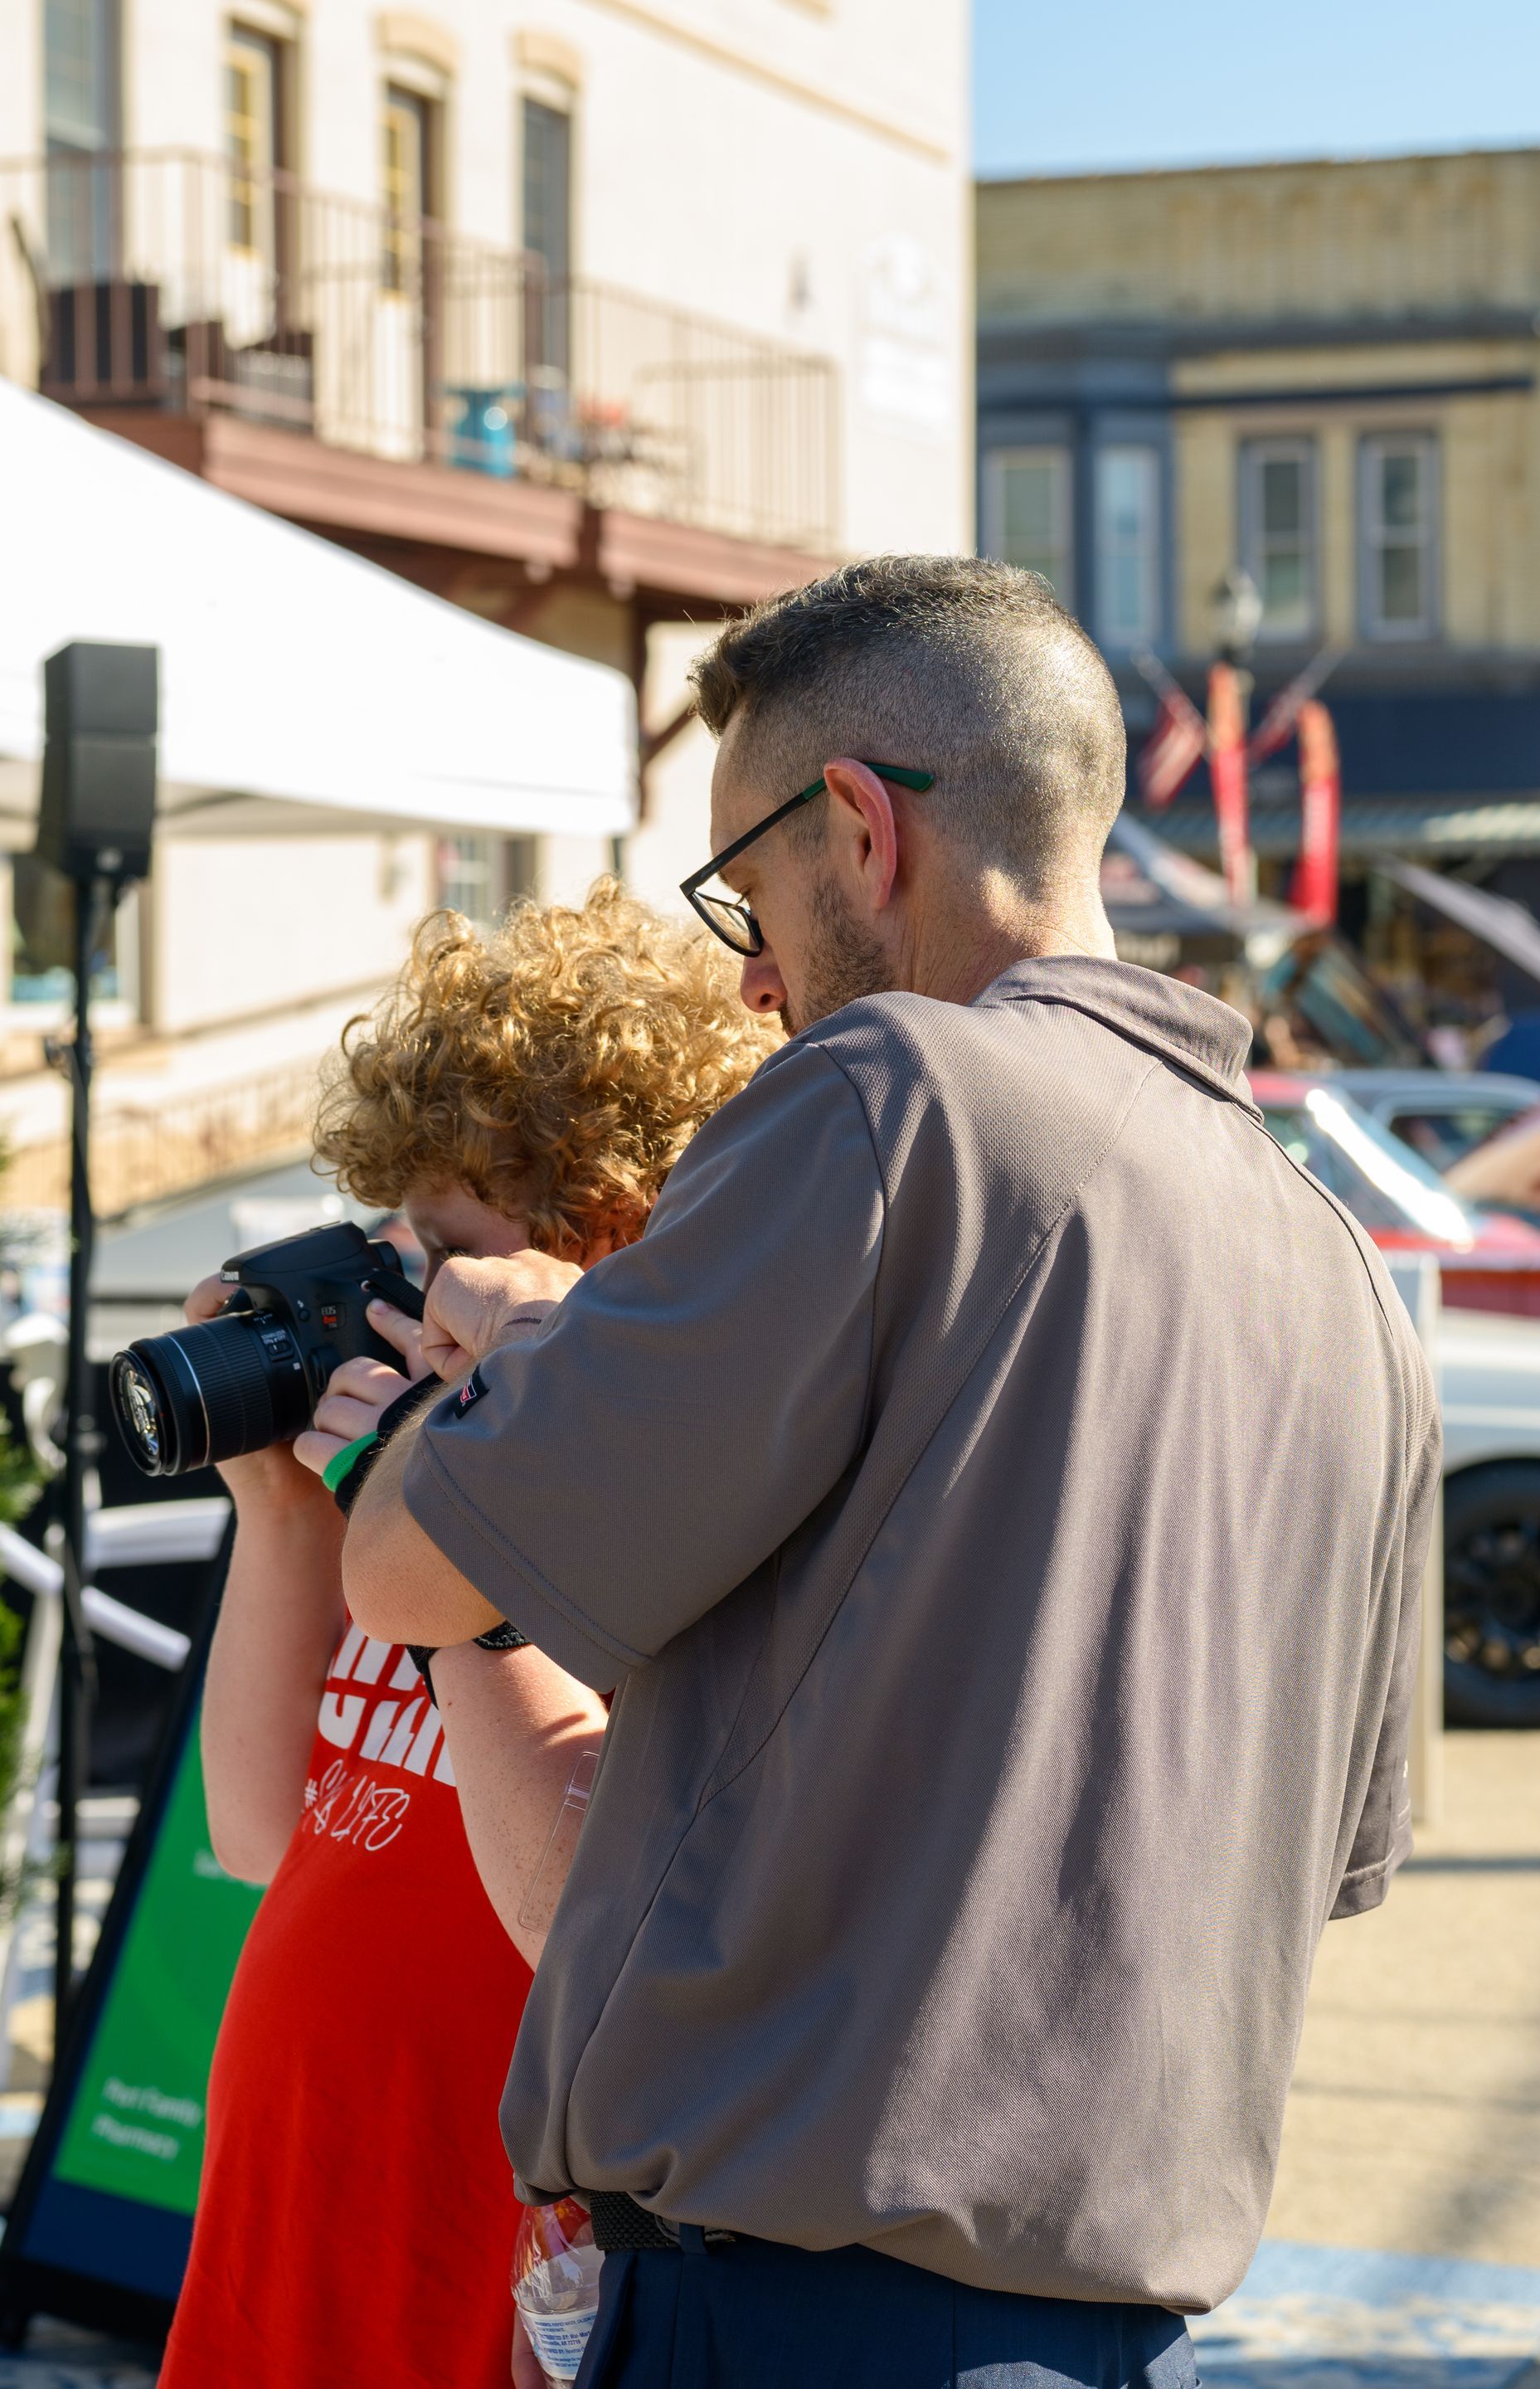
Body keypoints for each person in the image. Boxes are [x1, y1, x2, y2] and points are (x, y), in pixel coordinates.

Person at [328, 557, 1441, 2389]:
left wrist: (482, 1387)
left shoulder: (889, 1095)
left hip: (779, 2312)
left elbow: (412, 1576)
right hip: (1114, 2331)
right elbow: (1310, 1854)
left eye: (743, 892)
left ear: (858, 829)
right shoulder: (1338, 1271)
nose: (751, 972)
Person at [159, 882, 775, 2389]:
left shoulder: (657, 1510)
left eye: (432, 1254)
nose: (390, 1296)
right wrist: (281, 1509)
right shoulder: (409, 1494)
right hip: (285, 2222)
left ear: (602, 1247)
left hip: (480, 2248)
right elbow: (255, 1836)